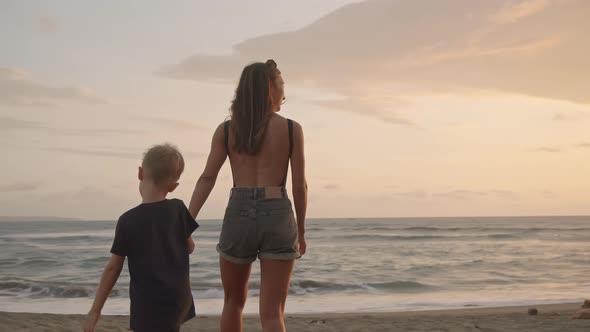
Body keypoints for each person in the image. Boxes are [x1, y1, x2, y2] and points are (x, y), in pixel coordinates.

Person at [188, 59, 307, 332]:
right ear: (269, 87)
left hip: (238, 212)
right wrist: (300, 230)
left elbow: (207, 177)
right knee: (273, 312)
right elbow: (300, 187)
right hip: (277, 211)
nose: (284, 93)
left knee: (233, 302)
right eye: (281, 85)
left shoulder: (227, 130)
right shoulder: (291, 129)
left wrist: (187, 221)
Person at [84, 143, 199, 332]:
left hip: (147, 305)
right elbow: (190, 247)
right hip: (178, 300)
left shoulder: (128, 220)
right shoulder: (178, 208)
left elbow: (113, 267)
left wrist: (95, 311)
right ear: (173, 186)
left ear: (140, 173)